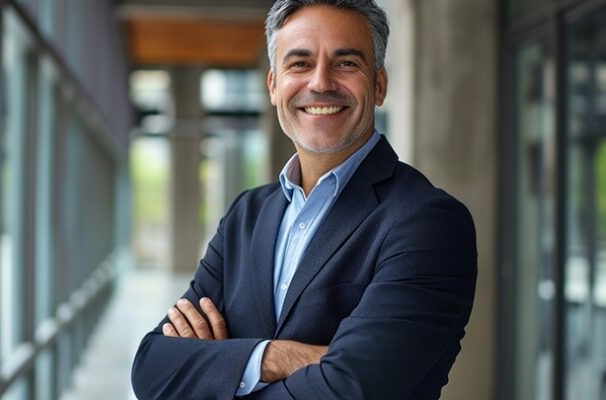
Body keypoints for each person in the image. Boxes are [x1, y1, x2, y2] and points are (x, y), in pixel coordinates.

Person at [131, 0, 477, 398]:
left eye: (346, 63)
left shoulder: (428, 223)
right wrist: (275, 356)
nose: (320, 82)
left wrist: (221, 370)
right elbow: (152, 367)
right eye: (299, 64)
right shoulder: (248, 215)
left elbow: (352, 389)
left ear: (379, 85)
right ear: (274, 86)